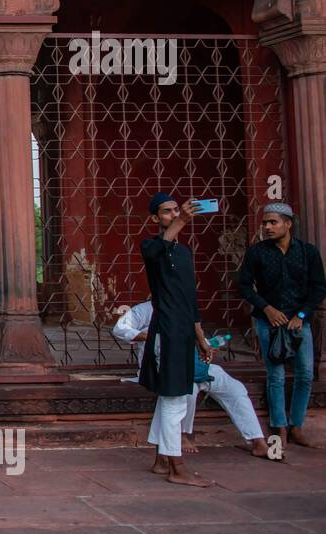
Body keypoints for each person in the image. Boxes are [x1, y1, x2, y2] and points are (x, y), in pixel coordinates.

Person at [114, 300, 275, 461]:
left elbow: (198, 337)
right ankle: (182, 435)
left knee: (235, 389)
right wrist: (156, 335)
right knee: (187, 389)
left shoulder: (186, 307)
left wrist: (205, 346)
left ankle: (257, 440)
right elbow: (120, 329)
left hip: (196, 365)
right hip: (165, 368)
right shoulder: (145, 310)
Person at [139, 193, 214, 487]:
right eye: (166, 212)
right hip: (166, 330)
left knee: (176, 395)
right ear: (156, 219)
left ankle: (161, 459)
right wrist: (182, 220)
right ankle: (177, 466)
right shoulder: (152, 246)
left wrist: (201, 338)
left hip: (184, 330)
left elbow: (190, 299)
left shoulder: (183, 253)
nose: (173, 214)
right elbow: (158, 249)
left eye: (175, 210)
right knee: (173, 398)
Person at [237, 201, 325, 449]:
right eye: (265, 222)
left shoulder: (307, 252)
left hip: (299, 322)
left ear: (288, 224)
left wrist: (301, 315)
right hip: (269, 321)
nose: (267, 227)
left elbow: (318, 287)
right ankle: (280, 427)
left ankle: (296, 425)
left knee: (305, 374)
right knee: (275, 375)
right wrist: (267, 308)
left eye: (273, 222)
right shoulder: (257, 252)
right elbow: (244, 285)